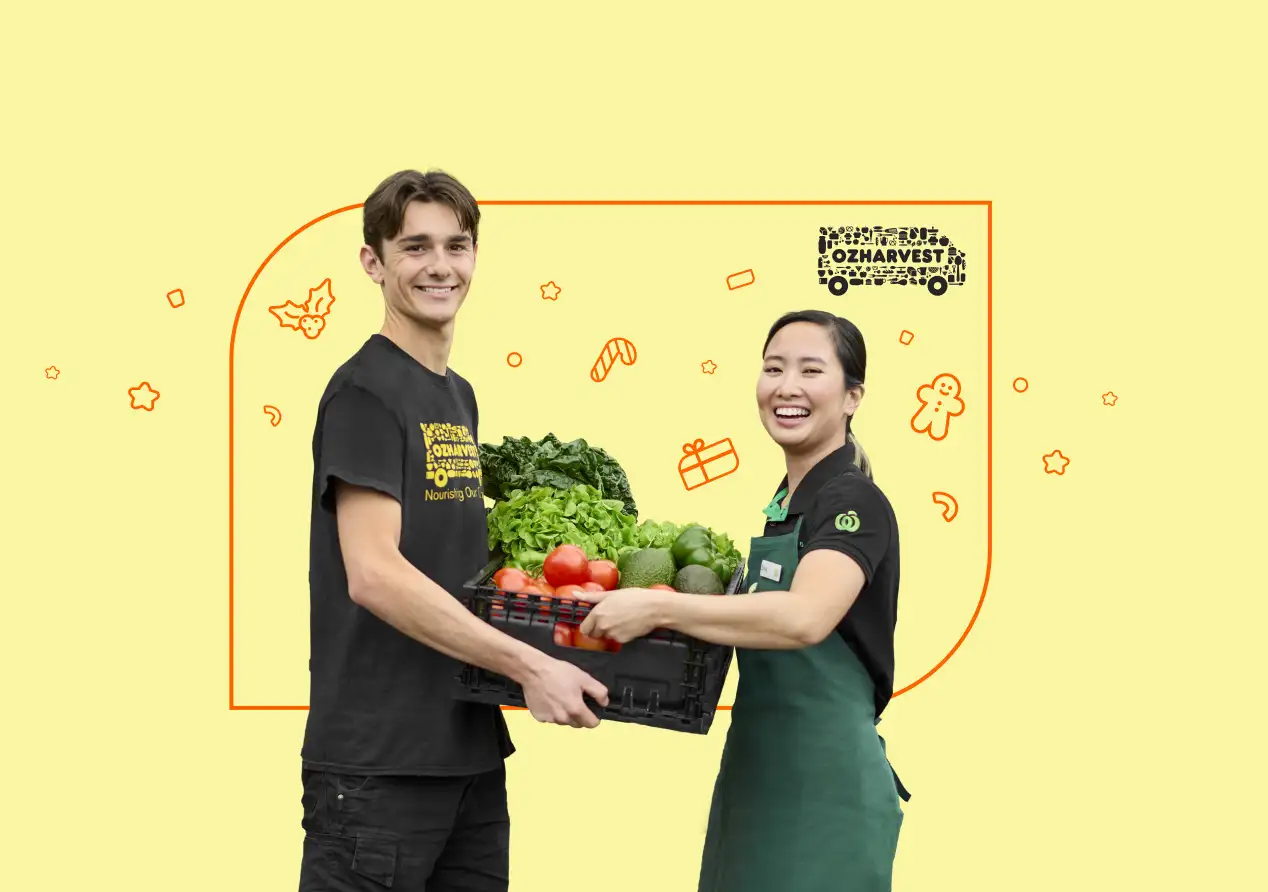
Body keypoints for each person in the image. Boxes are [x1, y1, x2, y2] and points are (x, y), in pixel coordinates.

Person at [298, 169, 610, 892]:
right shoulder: (364, 392)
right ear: (374, 263)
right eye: (415, 248)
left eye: (457, 246)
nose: (441, 266)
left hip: (466, 753)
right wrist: (530, 666)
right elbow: (374, 573)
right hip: (379, 767)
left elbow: (453, 565)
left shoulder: (456, 394)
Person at [578, 310, 911, 892]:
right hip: (757, 773)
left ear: (853, 396)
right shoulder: (787, 502)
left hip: (824, 790)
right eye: (773, 367)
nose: (787, 386)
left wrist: (657, 608)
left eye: (812, 370)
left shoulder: (854, 501)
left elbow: (805, 617)